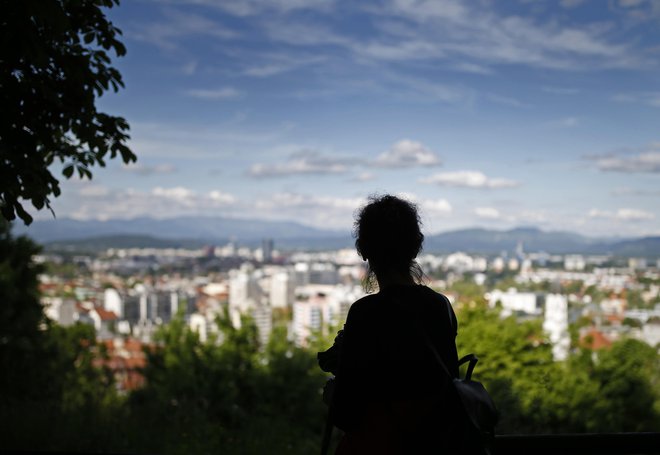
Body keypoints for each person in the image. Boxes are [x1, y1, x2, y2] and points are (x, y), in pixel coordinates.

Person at [318, 194, 460, 454]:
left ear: (363, 250)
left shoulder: (364, 314)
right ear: (416, 247)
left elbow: (347, 414)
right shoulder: (441, 307)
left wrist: (332, 397)